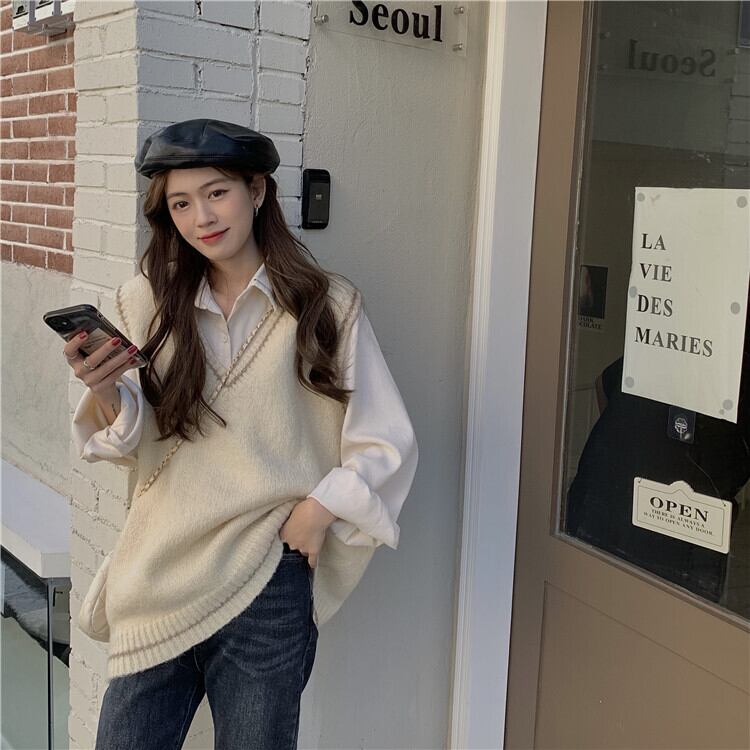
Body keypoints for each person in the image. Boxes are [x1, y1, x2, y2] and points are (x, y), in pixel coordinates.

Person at [63, 119, 418, 749]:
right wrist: (105, 388)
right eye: (180, 203)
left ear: (256, 191)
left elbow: (385, 440)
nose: (201, 217)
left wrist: (317, 512)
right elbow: (133, 445)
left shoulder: (326, 306)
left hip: (268, 578)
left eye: (217, 192)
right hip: (158, 572)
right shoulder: (144, 303)